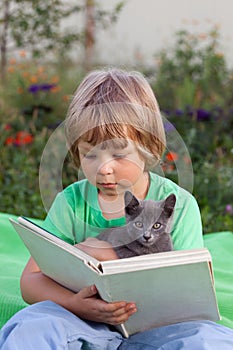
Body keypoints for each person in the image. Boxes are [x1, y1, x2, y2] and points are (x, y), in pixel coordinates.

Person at [1, 68, 233, 350]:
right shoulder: (71, 202)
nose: (104, 168)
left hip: (159, 329)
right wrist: (75, 304)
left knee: (210, 339)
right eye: (90, 154)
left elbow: (192, 296)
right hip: (82, 321)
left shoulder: (178, 205)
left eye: (119, 154)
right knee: (31, 327)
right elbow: (31, 282)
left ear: (148, 148)